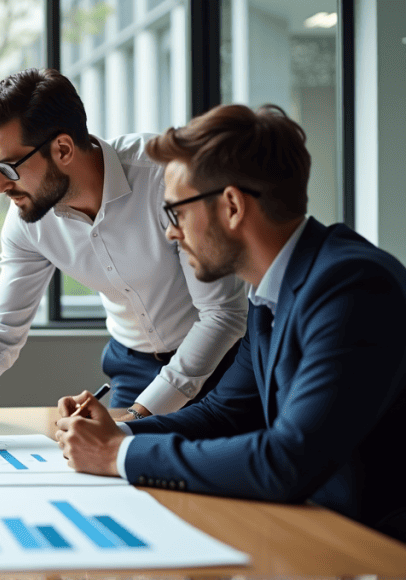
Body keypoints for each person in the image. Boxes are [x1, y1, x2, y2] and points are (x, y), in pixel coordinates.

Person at [55, 104, 406, 543]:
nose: (170, 233)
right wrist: (115, 431)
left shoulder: (352, 287)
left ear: (233, 206)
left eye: (175, 213)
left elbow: (286, 460)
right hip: (316, 530)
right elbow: (223, 412)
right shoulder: (268, 292)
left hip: (374, 547)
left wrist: (119, 454)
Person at [0, 68, 247, 451]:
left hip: (222, 361)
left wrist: (140, 415)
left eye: (9, 167)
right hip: (133, 366)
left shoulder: (165, 179)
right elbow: (1, 331)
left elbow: (221, 315)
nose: (2, 186)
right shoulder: (28, 220)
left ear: (62, 148)